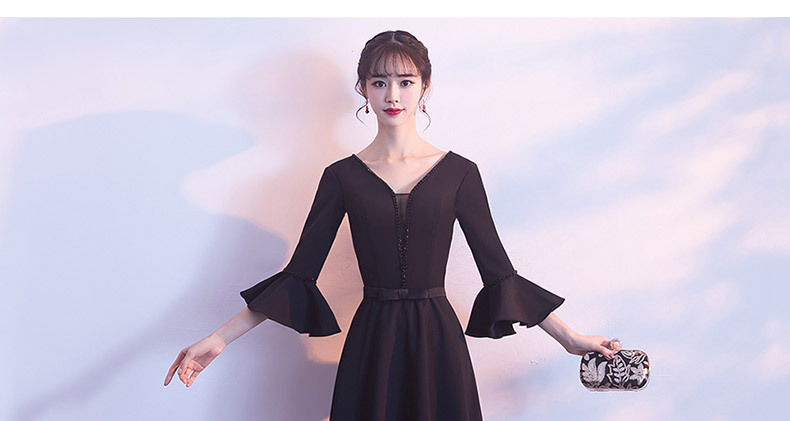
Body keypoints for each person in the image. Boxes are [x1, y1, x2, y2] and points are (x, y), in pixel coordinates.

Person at [165, 29, 615, 420]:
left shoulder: (460, 173)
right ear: (363, 88)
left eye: (405, 81)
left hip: (439, 343)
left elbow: (499, 273)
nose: (392, 96)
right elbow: (298, 275)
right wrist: (219, 339)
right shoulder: (341, 177)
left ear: (425, 86)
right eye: (380, 82)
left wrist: (569, 338)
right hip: (372, 342)